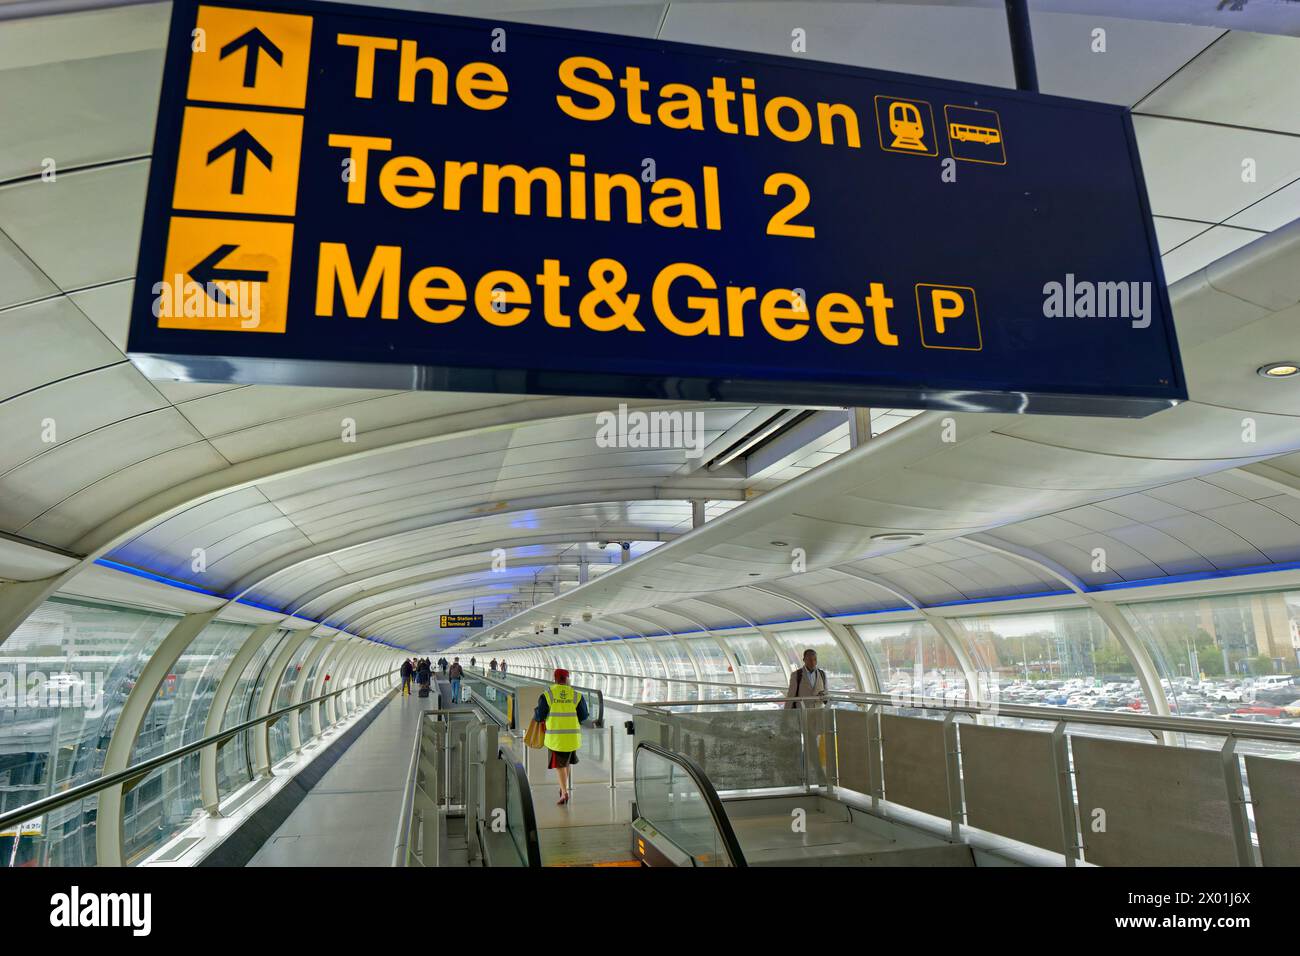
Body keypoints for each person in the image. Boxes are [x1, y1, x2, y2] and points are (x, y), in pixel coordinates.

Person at [534, 669, 587, 805]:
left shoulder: (547, 695)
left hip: (556, 737)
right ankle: (562, 787)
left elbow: (539, 716)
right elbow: (584, 715)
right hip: (572, 736)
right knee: (566, 763)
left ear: (555, 679)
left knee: (560, 765)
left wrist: (538, 713)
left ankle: (564, 792)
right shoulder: (576, 695)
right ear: (568, 679)